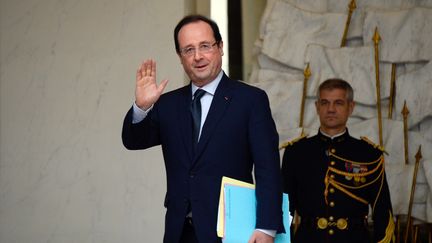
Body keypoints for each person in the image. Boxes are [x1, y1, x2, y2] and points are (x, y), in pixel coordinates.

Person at [122, 15, 283, 243]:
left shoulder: (250, 100)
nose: (198, 56)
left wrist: (267, 227)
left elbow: (268, 167)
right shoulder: (168, 104)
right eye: (188, 50)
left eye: (205, 46)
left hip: (231, 232)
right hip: (180, 232)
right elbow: (133, 141)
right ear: (180, 57)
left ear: (220, 47)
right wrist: (141, 106)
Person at [281, 79, 394, 243]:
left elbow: (382, 211)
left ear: (351, 107)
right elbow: (285, 209)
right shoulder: (296, 152)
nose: (331, 109)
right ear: (317, 107)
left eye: (338, 103)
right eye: (325, 102)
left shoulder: (369, 154)